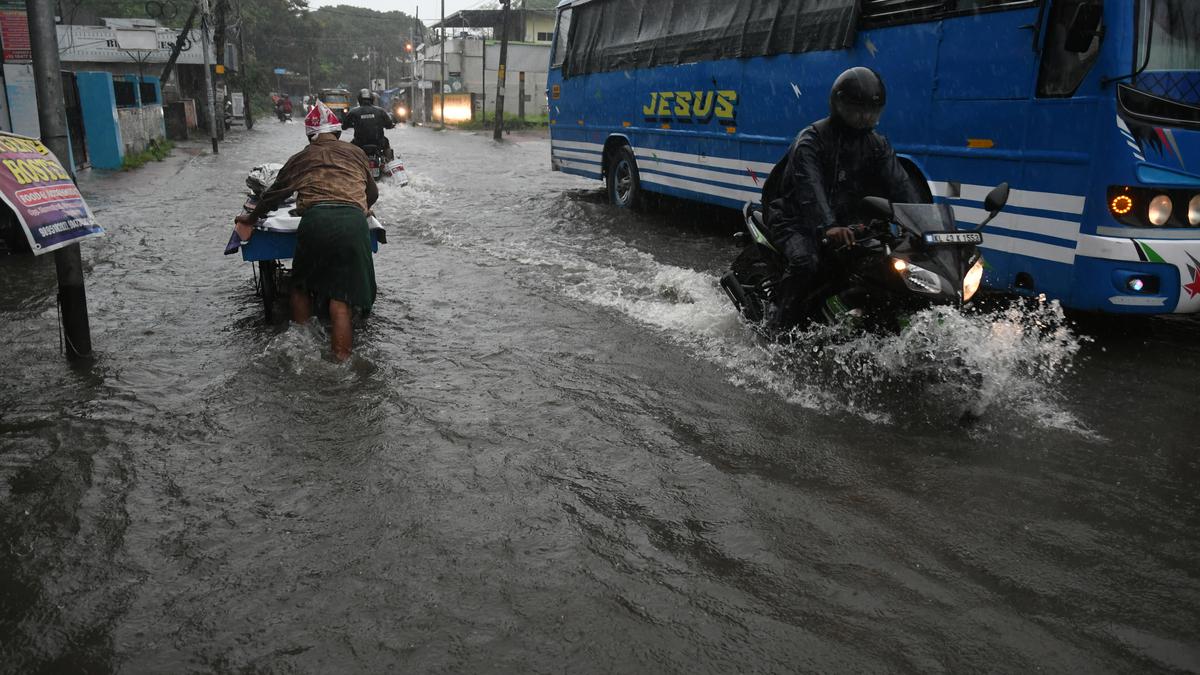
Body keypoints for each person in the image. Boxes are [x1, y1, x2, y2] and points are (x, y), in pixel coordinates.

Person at [762, 66, 920, 327]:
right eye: (856, 110)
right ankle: (780, 327)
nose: (863, 118)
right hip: (793, 218)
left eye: (870, 112)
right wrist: (829, 225)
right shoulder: (811, 140)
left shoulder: (877, 144)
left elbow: (901, 185)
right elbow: (809, 189)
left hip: (846, 222)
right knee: (806, 263)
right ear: (838, 104)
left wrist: (923, 225)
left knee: (877, 265)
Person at [234, 100, 379, 361]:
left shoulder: (301, 157)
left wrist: (250, 218)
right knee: (341, 300)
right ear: (337, 133)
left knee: (300, 285)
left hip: (316, 221)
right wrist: (361, 206)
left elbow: (273, 196)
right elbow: (373, 193)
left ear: (310, 136)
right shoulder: (356, 153)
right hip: (353, 223)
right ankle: (342, 360)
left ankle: (301, 347)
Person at [342, 88, 396, 161]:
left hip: (359, 143)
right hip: (379, 142)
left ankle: (352, 167)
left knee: (349, 152)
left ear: (359, 100)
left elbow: (344, 126)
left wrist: (350, 125)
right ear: (372, 99)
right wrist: (391, 125)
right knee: (386, 144)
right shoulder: (380, 111)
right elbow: (389, 125)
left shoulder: (353, 112)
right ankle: (389, 163)